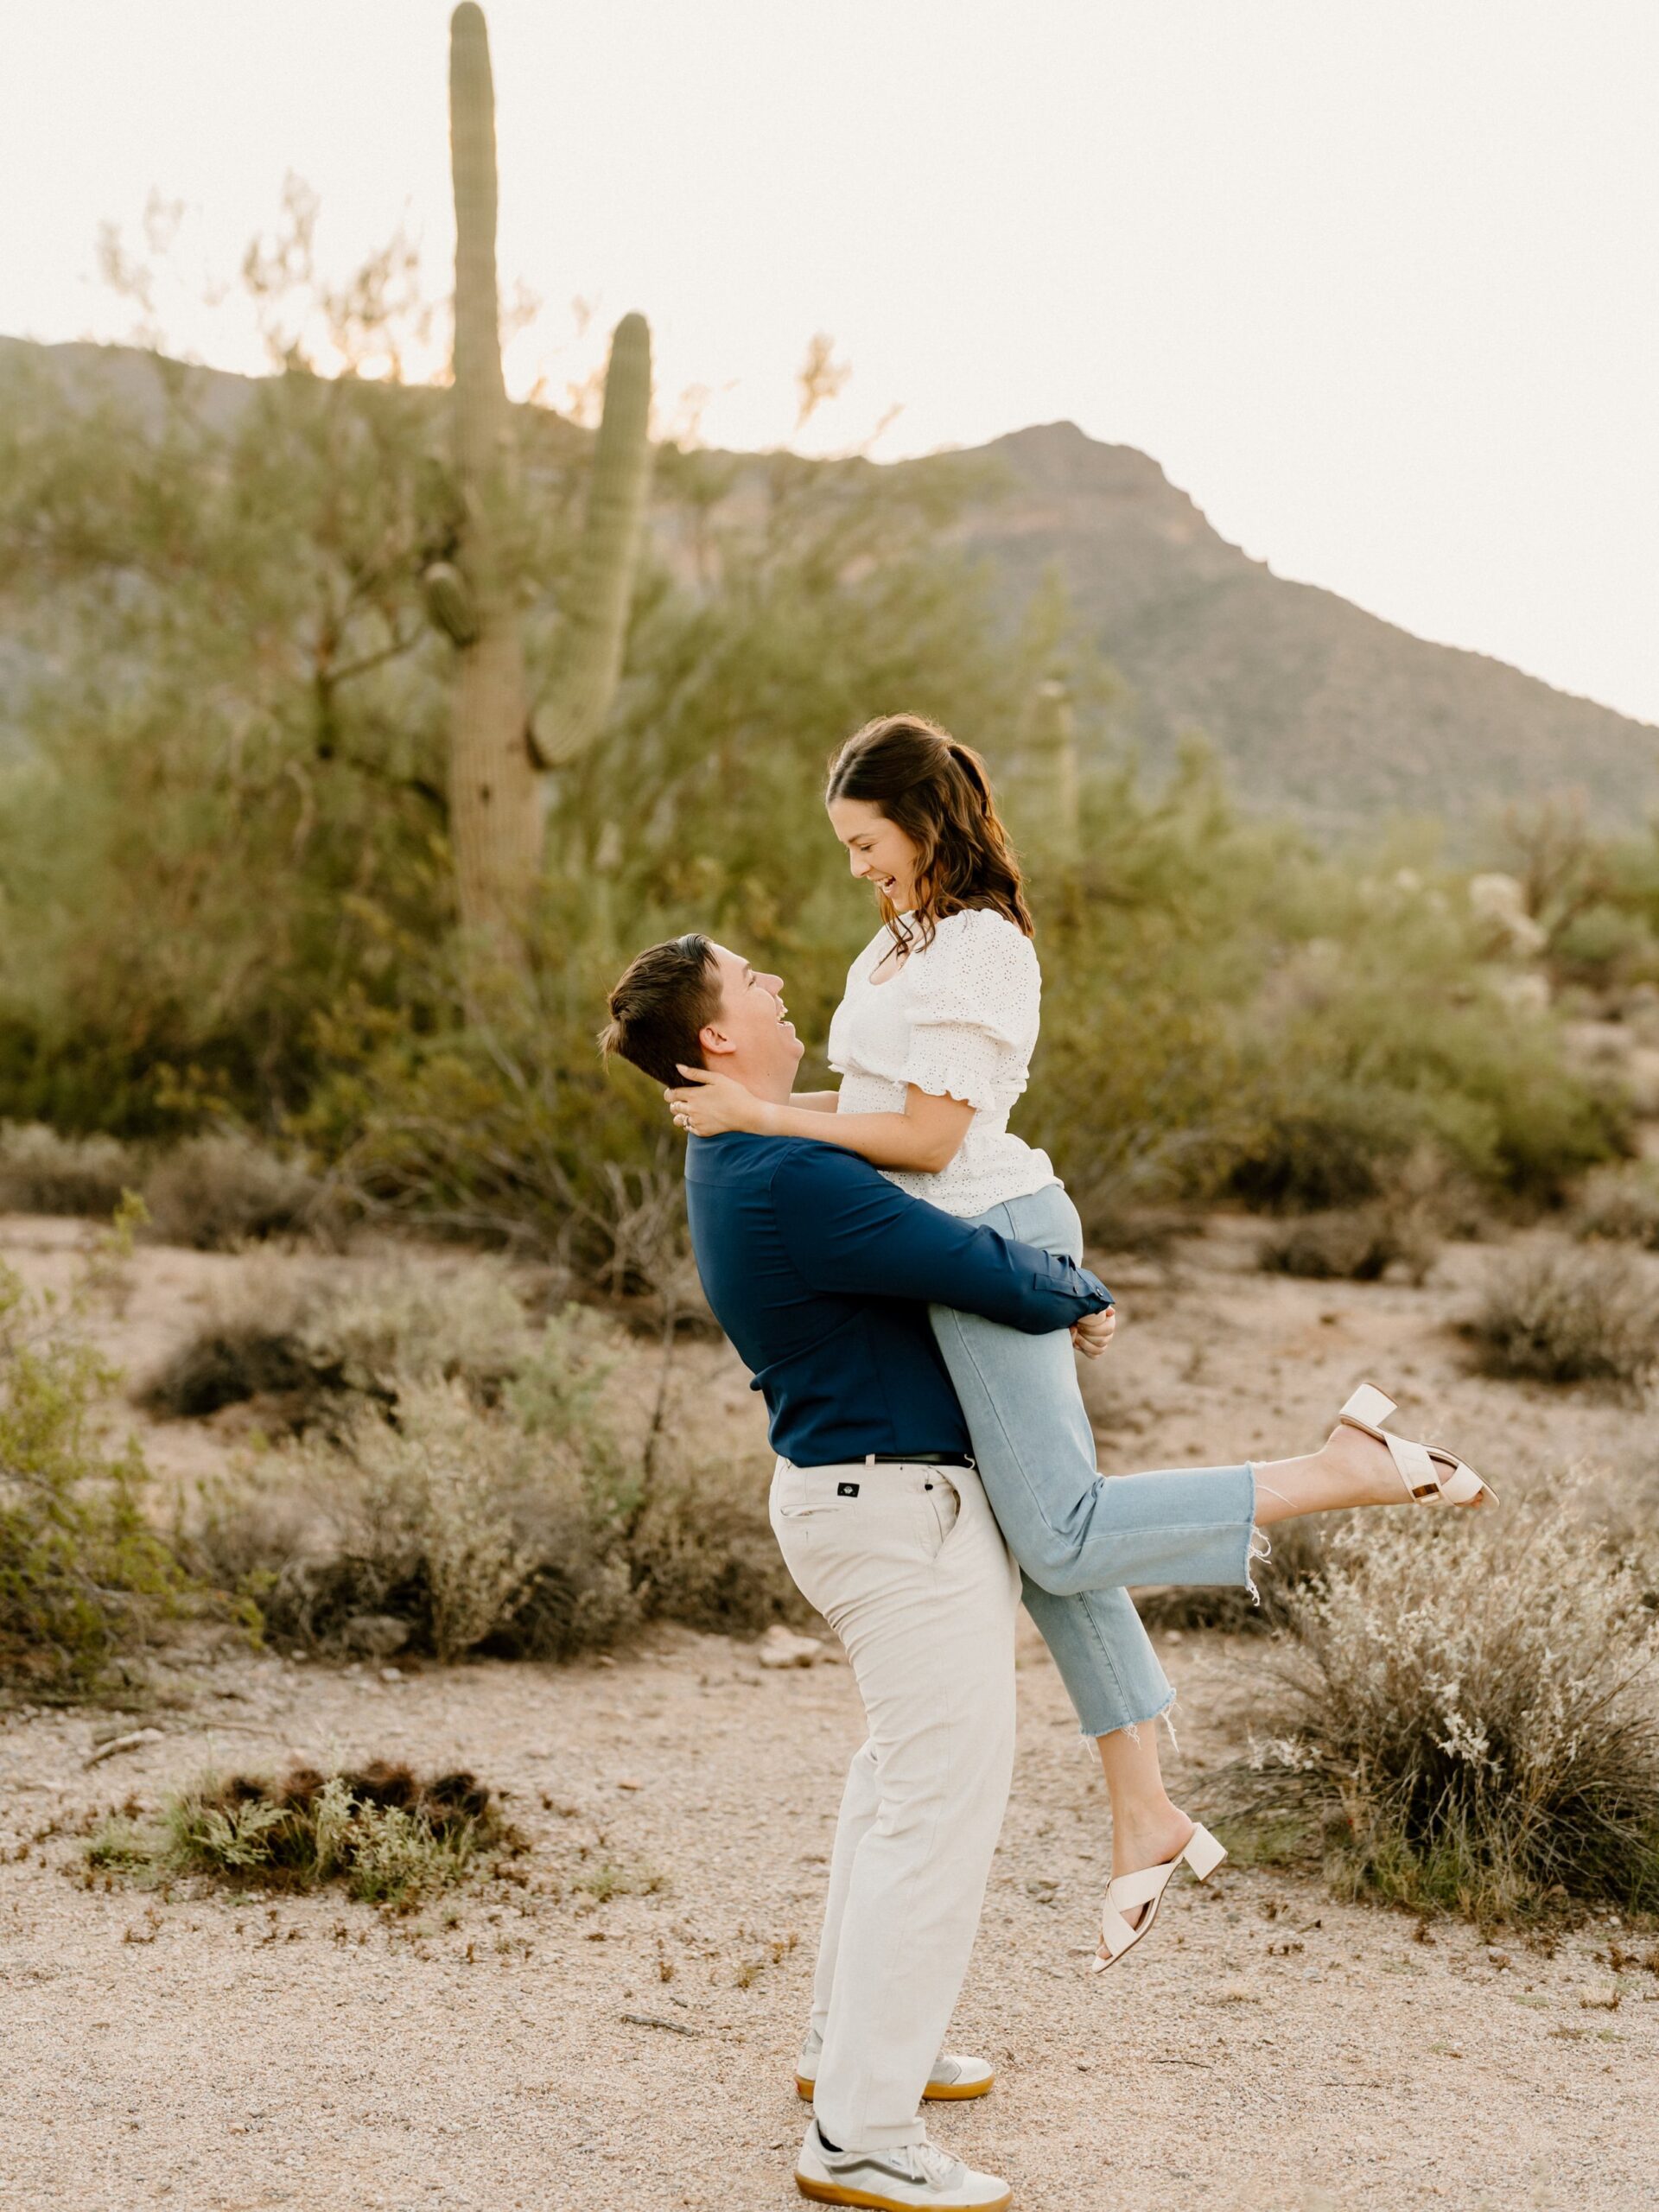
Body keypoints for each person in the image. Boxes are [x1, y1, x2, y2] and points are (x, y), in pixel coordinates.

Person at [602, 930, 1491, 2212]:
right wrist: (1073, 1285)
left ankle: (841, 2061)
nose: (780, 986)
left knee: (893, 1791)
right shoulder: (784, 1174)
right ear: (716, 1040)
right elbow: (962, 1263)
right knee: (934, 1812)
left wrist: (1048, 1285)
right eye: (751, 982)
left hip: (863, 1499)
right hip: (896, 1514)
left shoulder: (745, 1148)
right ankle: (859, 2137)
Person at [663, 714, 1495, 1973]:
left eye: (866, 842)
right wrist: (769, 1114)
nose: (855, 868)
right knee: (1051, 1546)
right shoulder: (900, 944)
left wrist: (765, 1116)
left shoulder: (982, 949)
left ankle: (1349, 1469)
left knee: (1058, 1526)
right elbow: (878, 1107)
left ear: (924, 823)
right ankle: (1144, 1812)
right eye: (844, 848)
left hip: (988, 1221)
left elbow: (933, 1140)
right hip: (940, 1245)